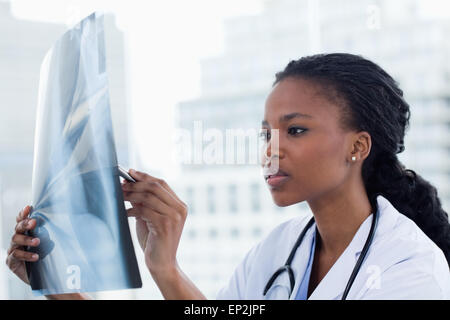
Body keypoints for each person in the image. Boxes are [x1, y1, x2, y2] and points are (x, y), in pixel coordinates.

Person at [6, 53, 450, 300]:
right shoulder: (279, 249)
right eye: (266, 133)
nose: (271, 149)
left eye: (295, 130)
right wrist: (61, 281)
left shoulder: (411, 270)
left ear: (358, 146)